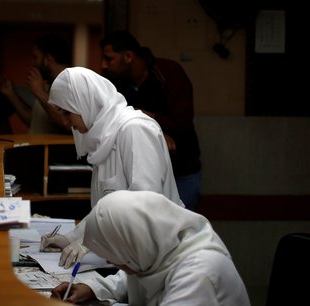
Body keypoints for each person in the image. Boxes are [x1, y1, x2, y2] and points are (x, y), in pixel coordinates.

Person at [40, 67, 183, 269]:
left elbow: (145, 207)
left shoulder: (135, 129)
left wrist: (93, 243)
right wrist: (70, 238)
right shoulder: (102, 137)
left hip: (161, 258)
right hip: (129, 260)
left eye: (67, 112)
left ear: (85, 102)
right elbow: (103, 212)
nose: (65, 122)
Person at [51, 190, 251, 306]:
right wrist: (92, 289)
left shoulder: (198, 273)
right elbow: (134, 278)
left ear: (135, 248)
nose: (112, 264)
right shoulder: (160, 248)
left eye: (114, 258)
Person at [100, 30, 202, 211]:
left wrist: (147, 121)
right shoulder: (113, 82)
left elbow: (183, 123)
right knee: (143, 231)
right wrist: (157, 131)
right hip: (137, 173)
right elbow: (109, 121)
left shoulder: (168, 72)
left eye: (109, 59)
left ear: (129, 56)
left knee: (178, 232)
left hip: (181, 170)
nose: (104, 65)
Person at [0, 33, 72, 134]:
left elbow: (66, 122)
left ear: (48, 60)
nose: (32, 63)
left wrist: (39, 92)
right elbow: (36, 122)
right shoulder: (47, 85)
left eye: (35, 57)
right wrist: (11, 94)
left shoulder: (71, 84)